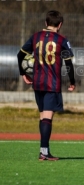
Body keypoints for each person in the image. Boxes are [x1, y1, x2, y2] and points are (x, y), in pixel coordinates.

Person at [17, 10, 76, 161]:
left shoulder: (36, 37)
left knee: (43, 116)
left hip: (37, 82)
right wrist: (72, 81)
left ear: (46, 23)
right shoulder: (62, 40)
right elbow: (68, 62)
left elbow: (20, 55)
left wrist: (23, 73)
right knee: (47, 118)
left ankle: (44, 150)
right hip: (52, 83)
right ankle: (44, 152)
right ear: (60, 24)